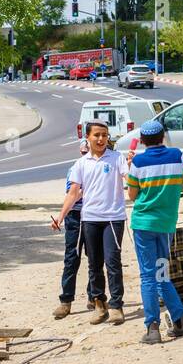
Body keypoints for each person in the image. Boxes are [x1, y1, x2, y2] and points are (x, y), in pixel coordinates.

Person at [126, 120, 183, 345]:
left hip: (143, 224)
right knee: (161, 273)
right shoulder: (177, 156)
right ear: (163, 137)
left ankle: (152, 328)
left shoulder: (138, 161)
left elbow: (132, 195)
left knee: (148, 276)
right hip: (166, 225)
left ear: (144, 141)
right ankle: (182, 320)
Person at [52, 121, 127, 325]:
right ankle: (99, 304)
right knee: (94, 265)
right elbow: (73, 193)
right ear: (88, 137)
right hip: (90, 219)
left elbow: (129, 178)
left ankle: (116, 306)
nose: (101, 139)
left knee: (112, 262)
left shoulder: (117, 158)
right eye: (97, 135)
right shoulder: (81, 164)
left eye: (104, 135)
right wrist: (60, 216)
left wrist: (134, 167)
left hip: (113, 218)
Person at [51, 140, 95, 319]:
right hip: (76, 217)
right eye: (83, 152)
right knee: (71, 258)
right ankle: (66, 301)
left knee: (95, 258)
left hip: (95, 216)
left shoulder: (103, 165)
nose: (85, 155)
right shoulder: (76, 168)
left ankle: (95, 297)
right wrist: (60, 217)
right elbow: (73, 194)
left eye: (88, 152)